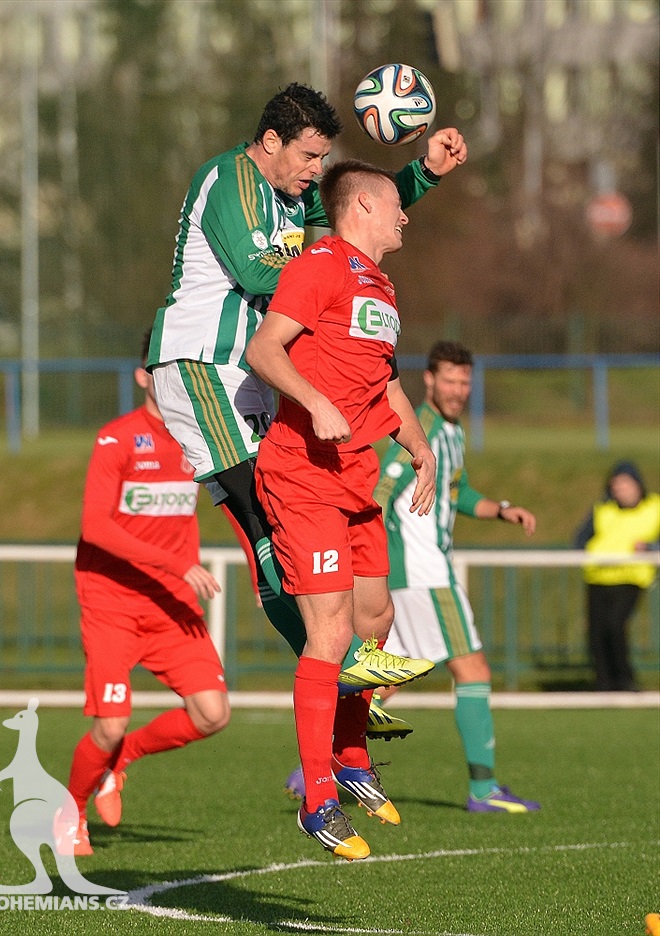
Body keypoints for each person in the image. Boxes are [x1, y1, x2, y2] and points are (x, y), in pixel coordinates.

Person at [146, 82, 467, 710]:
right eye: (309, 157)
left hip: (256, 378)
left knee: (280, 527)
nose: (316, 172)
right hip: (203, 365)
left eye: (324, 160)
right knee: (267, 518)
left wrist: (423, 173)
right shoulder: (230, 180)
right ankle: (344, 667)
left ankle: (336, 674)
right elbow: (261, 271)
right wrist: (329, 274)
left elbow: (359, 212)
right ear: (272, 142)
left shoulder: (294, 201)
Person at [245, 159, 446, 860]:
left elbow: (383, 382)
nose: (406, 216)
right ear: (362, 204)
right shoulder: (321, 263)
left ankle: (354, 759)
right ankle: (318, 798)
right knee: (329, 635)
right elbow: (264, 349)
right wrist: (315, 401)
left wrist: (419, 445)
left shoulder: (382, 286)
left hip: (356, 479)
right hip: (303, 475)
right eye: (397, 205)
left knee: (375, 619)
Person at [286, 340, 542, 814]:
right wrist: (370, 566)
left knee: (383, 680)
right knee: (472, 669)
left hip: (417, 573)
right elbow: (377, 490)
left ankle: (315, 764)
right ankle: (483, 790)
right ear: (429, 380)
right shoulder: (418, 427)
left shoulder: (450, 431)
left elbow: (456, 492)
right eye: (450, 379)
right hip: (423, 572)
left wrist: (501, 510)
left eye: (465, 381)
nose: (458, 389)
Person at [54, 331, 255, 856]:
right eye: (158, 369)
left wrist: (262, 567)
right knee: (109, 722)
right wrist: (174, 562)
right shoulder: (117, 439)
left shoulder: (199, 440)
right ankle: (71, 808)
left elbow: (235, 505)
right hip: (112, 603)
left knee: (213, 713)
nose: (168, 379)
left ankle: (122, 761)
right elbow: (95, 527)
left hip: (171, 605)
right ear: (144, 375)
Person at [573, 461, 660, 692]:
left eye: (626, 484)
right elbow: (580, 539)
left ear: (638, 485)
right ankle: (603, 682)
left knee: (615, 625)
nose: (621, 490)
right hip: (598, 577)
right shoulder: (603, 509)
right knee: (597, 631)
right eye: (617, 485)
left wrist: (651, 547)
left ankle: (624, 680)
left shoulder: (655, 507)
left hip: (631, 577)